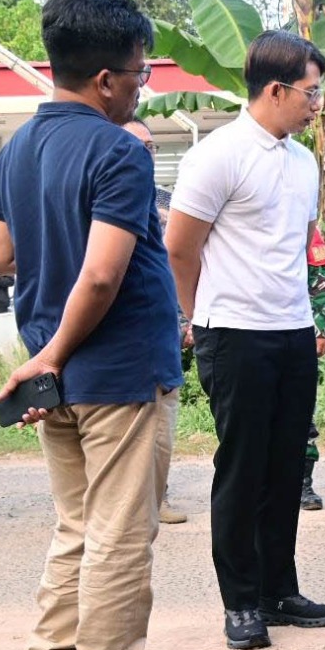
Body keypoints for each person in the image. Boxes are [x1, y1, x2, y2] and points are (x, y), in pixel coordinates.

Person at [0, 0, 188, 650]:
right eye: (140, 73)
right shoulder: (116, 151)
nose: (143, 87)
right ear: (106, 79)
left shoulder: (15, 151)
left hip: (54, 373)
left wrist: (45, 355)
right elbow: (103, 273)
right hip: (116, 368)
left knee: (76, 523)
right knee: (120, 531)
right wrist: (62, 349)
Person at [167, 30, 325, 650]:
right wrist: (195, 317)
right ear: (276, 89)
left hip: (291, 332)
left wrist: (313, 317)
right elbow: (180, 247)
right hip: (233, 334)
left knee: (284, 465)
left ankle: (279, 589)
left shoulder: (303, 160)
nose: (317, 103)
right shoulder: (218, 155)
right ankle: (241, 602)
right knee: (242, 470)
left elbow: (298, 247)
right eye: (311, 92)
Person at [121, 117, 189, 526]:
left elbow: (181, 263)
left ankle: (157, 498)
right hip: (120, 336)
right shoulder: (98, 198)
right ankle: (127, 505)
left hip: (163, 332)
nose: (143, 154)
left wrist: (187, 318)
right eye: (134, 146)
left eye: (149, 147)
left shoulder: (170, 202)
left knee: (163, 426)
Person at [301, 226, 325, 511]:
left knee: (301, 413)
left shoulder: (307, 226)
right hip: (249, 330)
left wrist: (324, 328)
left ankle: (303, 484)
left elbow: (321, 279)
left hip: (298, 331)